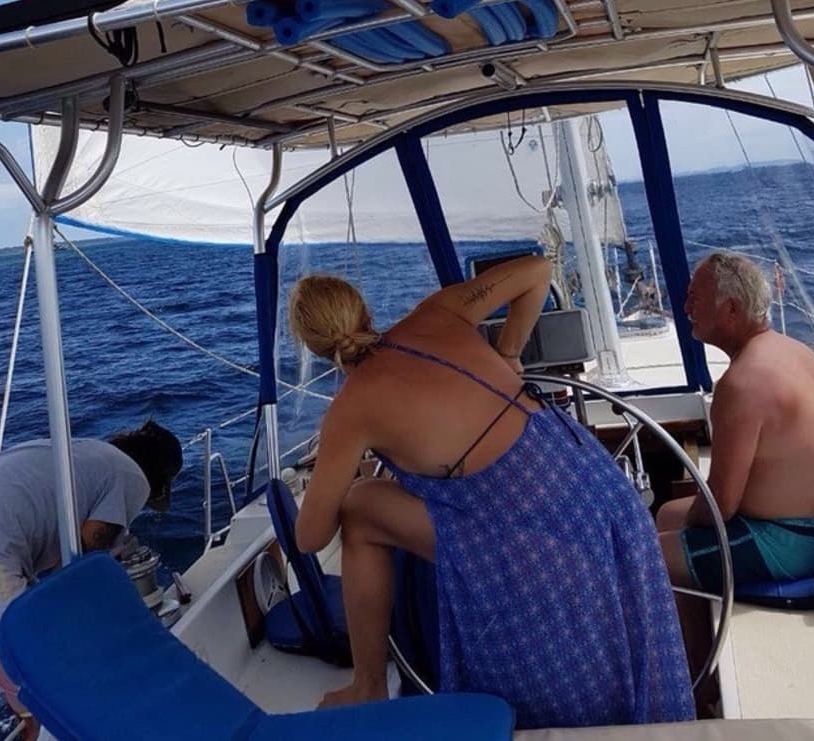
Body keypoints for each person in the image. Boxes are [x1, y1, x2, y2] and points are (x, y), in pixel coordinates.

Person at [288, 256, 694, 729]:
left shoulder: (349, 410)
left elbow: (311, 537)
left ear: (314, 346)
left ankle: (367, 686)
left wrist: (340, 470)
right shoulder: (439, 311)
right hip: (604, 500)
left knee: (360, 509)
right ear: (362, 309)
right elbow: (540, 271)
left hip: (534, 542)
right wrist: (509, 354)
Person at [0, 419, 182, 739]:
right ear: (160, 477)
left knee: (39, 657)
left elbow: (63, 555)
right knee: (32, 689)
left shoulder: (91, 454)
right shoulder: (132, 477)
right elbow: (84, 554)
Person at [657, 251, 814, 595]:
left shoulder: (741, 383)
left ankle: (697, 647)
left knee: (647, 556)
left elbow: (722, 504)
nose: (686, 309)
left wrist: (688, 527)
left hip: (793, 542)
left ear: (730, 310)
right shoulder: (795, 350)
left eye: (694, 299)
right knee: (668, 513)